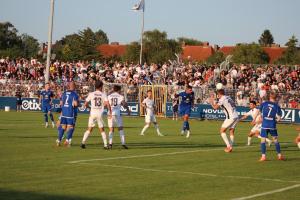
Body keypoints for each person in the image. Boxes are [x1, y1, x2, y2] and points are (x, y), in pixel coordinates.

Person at [80, 81, 111, 149]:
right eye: (102, 86)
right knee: (102, 129)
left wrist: (89, 108)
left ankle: (83, 142)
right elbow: (107, 104)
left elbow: (85, 104)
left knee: (89, 129)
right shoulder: (103, 94)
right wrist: (109, 112)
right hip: (99, 113)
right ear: (100, 87)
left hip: (92, 113)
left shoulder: (91, 94)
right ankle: (105, 145)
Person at [258, 92, 284, 161]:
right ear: (275, 98)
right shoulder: (277, 106)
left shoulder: (264, 103)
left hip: (264, 125)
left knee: (263, 141)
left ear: (269, 97)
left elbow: (260, 112)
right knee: (275, 140)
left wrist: (261, 117)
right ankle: (279, 155)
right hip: (272, 125)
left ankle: (263, 157)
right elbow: (279, 119)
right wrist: (275, 121)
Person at [107, 85, 130, 149]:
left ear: (114, 89)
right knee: (120, 128)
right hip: (117, 114)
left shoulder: (109, 96)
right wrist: (128, 110)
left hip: (110, 114)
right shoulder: (120, 96)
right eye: (120, 90)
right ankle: (123, 143)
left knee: (111, 129)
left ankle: (110, 144)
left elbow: (106, 104)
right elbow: (124, 104)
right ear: (119, 90)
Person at [56, 82, 79, 147]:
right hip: (70, 113)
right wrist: (78, 104)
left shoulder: (64, 93)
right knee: (71, 127)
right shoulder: (74, 94)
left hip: (64, 113)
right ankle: (68, 140)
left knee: (63, 127)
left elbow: (61, 103)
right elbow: (75, 104)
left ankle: (58, 140)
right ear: (74, 86)